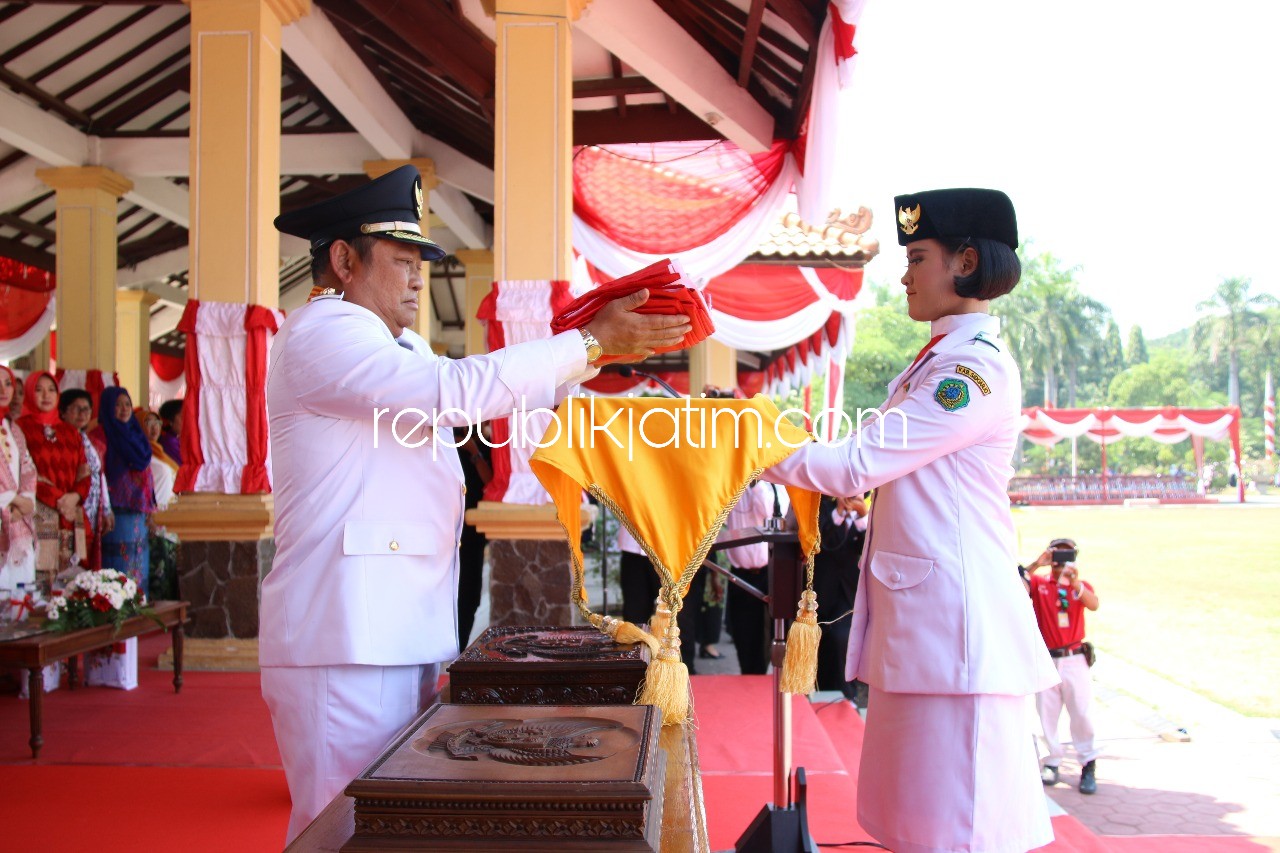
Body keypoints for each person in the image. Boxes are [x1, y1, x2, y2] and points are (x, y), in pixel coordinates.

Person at [260, 164, 693, 842]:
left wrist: (589, 352)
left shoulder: (392, 345)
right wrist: (586, 342)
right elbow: (454, 391)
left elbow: (472, 390)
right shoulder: (325, 331)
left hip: (389, 624)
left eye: (419, 263)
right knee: (335, 830)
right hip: (345, 632)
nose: (415, 278)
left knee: (387, 828)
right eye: (400, 260)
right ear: (344, 260)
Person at [763, 189, 1058, 853]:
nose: (904, 274)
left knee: (960, 828)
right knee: (918, 822)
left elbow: (857, 463)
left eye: (918, 256)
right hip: (925, 628)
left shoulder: (971, 369)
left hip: (956, 635)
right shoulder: (936, 361)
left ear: (966, 261)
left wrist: (754, 450)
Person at [1024, 537, 1101, 794]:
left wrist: (1075, 582)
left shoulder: (1078, 585)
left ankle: (1088, 761)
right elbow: (1015, 586)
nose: (1062, 561)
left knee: (1081, 711)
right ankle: (1052, 761)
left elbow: (1093, 604)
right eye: (1058, 555)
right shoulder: (1039, 583)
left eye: (1068, 555)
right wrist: (1038, 563)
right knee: (1045, 713)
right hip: (1047, 656)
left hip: (1074, 657)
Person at [16, 371, 89, 578]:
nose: (45, 396)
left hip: (71, 512)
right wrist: (59, 499)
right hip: (41, 511)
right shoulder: (21, 428)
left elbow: (84, 472)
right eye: (38, 390)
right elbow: (25, 472)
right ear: (30, 394)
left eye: (51, 390)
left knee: (69, 579)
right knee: (41, 577)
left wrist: (75, 497)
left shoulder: (70, 431)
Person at [722, 478, 788, 675]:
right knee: (743, 635)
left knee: (770, 636)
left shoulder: (774, 486)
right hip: (739, 575)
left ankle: (768, 682)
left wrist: (756, 484)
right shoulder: (732, 483)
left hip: (769, 573)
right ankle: (748, 680)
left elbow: (773, 513)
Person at [90, 387, 155, 587]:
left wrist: (152, 508)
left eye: (127, 404)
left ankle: (138, 612)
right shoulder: (100, 434)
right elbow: (97, 473)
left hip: (139, 512)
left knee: (138, 566)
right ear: (108, 407)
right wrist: (104, 508)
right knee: (118, 569)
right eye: (117, 405)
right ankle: (117, 611)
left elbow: (147, 474)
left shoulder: (136, 434)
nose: (124, 409)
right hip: (114, 513)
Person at [813, 494, 868, 702]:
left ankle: (848, 695)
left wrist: (862, 516)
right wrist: (839, 512)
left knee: (842, 638)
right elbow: (824, 541)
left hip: (850, 590)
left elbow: (867, 548)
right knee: (823, 640)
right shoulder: (823, 507)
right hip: (823, 588)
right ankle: (822, 692)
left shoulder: (870, 508)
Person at [59, 389, 114, 571]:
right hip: (70, 509)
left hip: (91, 513)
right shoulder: (59, 439)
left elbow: (100, 474)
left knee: (86, 561)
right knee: (68, 560)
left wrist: (106, 509)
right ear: (63, 411)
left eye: (87, 409)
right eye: (77, 409)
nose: (83, 414)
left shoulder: (91, 442)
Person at [0, 366, 37, 591]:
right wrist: (11, 500)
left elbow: (28, 468)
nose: (2, 389)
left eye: (7, 383)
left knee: (18, 592)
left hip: (17, 517)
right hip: (7, 510)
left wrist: (26, 499)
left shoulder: (13, 429)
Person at [454, 425, 491, 650]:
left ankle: (458, 649)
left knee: (471, 595)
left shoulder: (486, 442)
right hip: (446, 527)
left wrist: (473, 452)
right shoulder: (445, 435)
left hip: (473, 531)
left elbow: (491, 482)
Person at [138, 408, 180, 601]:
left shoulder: (160, 452)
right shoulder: (140, 454)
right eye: (148, 423)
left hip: (170, 521)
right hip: (155, 521)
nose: (154, 428)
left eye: (157, 423)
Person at [157, 399, 182, 466]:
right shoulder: (168, 441)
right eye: (182, 416)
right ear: (170, 419)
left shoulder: (175, 438)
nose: (187, 420)